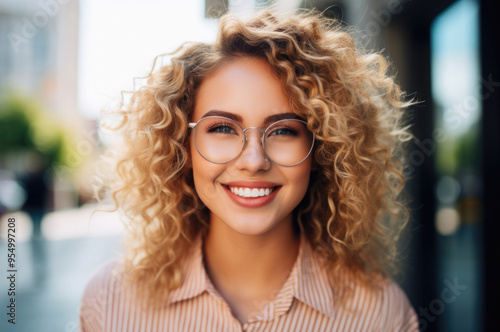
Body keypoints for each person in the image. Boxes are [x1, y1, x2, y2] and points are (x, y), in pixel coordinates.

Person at [79, 8, 419, 332]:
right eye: (223, 128)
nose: (254, 160)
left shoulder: (382, 315)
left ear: (321, 148)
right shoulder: (110, 302)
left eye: (284, 130)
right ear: (183, 145)